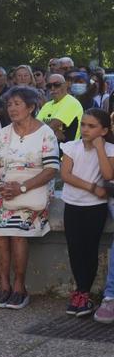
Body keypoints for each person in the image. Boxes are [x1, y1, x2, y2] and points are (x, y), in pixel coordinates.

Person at [0, 87, 59, 310]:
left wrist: (22, 187)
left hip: (33, 187)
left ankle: (20, 287)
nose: (12, 108)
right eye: (9, 104)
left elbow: (51, 169)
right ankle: (4, 287)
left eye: (17, 104)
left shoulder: (45, 133)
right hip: (5, 188)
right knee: (0, 234)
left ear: (30, 107)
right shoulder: (4, 132)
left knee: (17, 233)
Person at [60, 109, 114, 316]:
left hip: (94, 207)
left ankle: (85, 293)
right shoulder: (72, 147)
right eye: (83, 125)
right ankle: (79, 291)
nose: (85, 129)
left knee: (89, 249)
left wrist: (99, 147)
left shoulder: (109, 149)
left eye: (92, 126)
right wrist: (92, 187)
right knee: (74, 247)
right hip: (73, 203)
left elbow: (108, 174)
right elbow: (66, 174)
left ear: (103, 130)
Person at [37, 73, 83, 143]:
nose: (52, 88)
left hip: (68, 150)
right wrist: (55, 131)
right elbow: (35, 127)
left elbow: (52, 126)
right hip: (47, 148)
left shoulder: (71, 102)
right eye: (49, 86)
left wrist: (52, 129)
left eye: (57, 85)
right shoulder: (47, 105)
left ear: (65, 85)